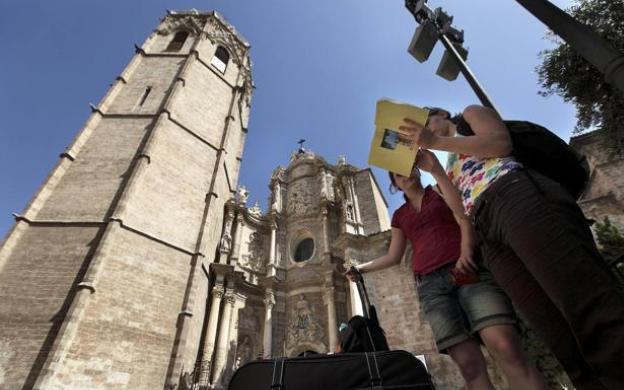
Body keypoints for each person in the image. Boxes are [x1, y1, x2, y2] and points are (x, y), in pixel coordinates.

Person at [400, 105, 624, 390]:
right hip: (487, 232)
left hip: (512, 194)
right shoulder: (449, 160)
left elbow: (499, 143)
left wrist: (436, 142)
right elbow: (460, 213)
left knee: (583, 301)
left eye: (427, 119)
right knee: (555, 332)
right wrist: (436, 170)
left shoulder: (470, 115)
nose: (425, 127)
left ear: (443, 115)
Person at [345, 150, 548, 390]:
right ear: (395, 184)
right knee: (469, 366)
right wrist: (360, 268)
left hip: (467, 271)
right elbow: (394, 256)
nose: (404, 174)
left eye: (407, 167)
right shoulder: (399, 216)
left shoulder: (440, 191)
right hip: (431, 287)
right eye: (397, 174)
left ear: (417, 169)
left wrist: (466, 250)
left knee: (505, 347)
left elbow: (464, 215)